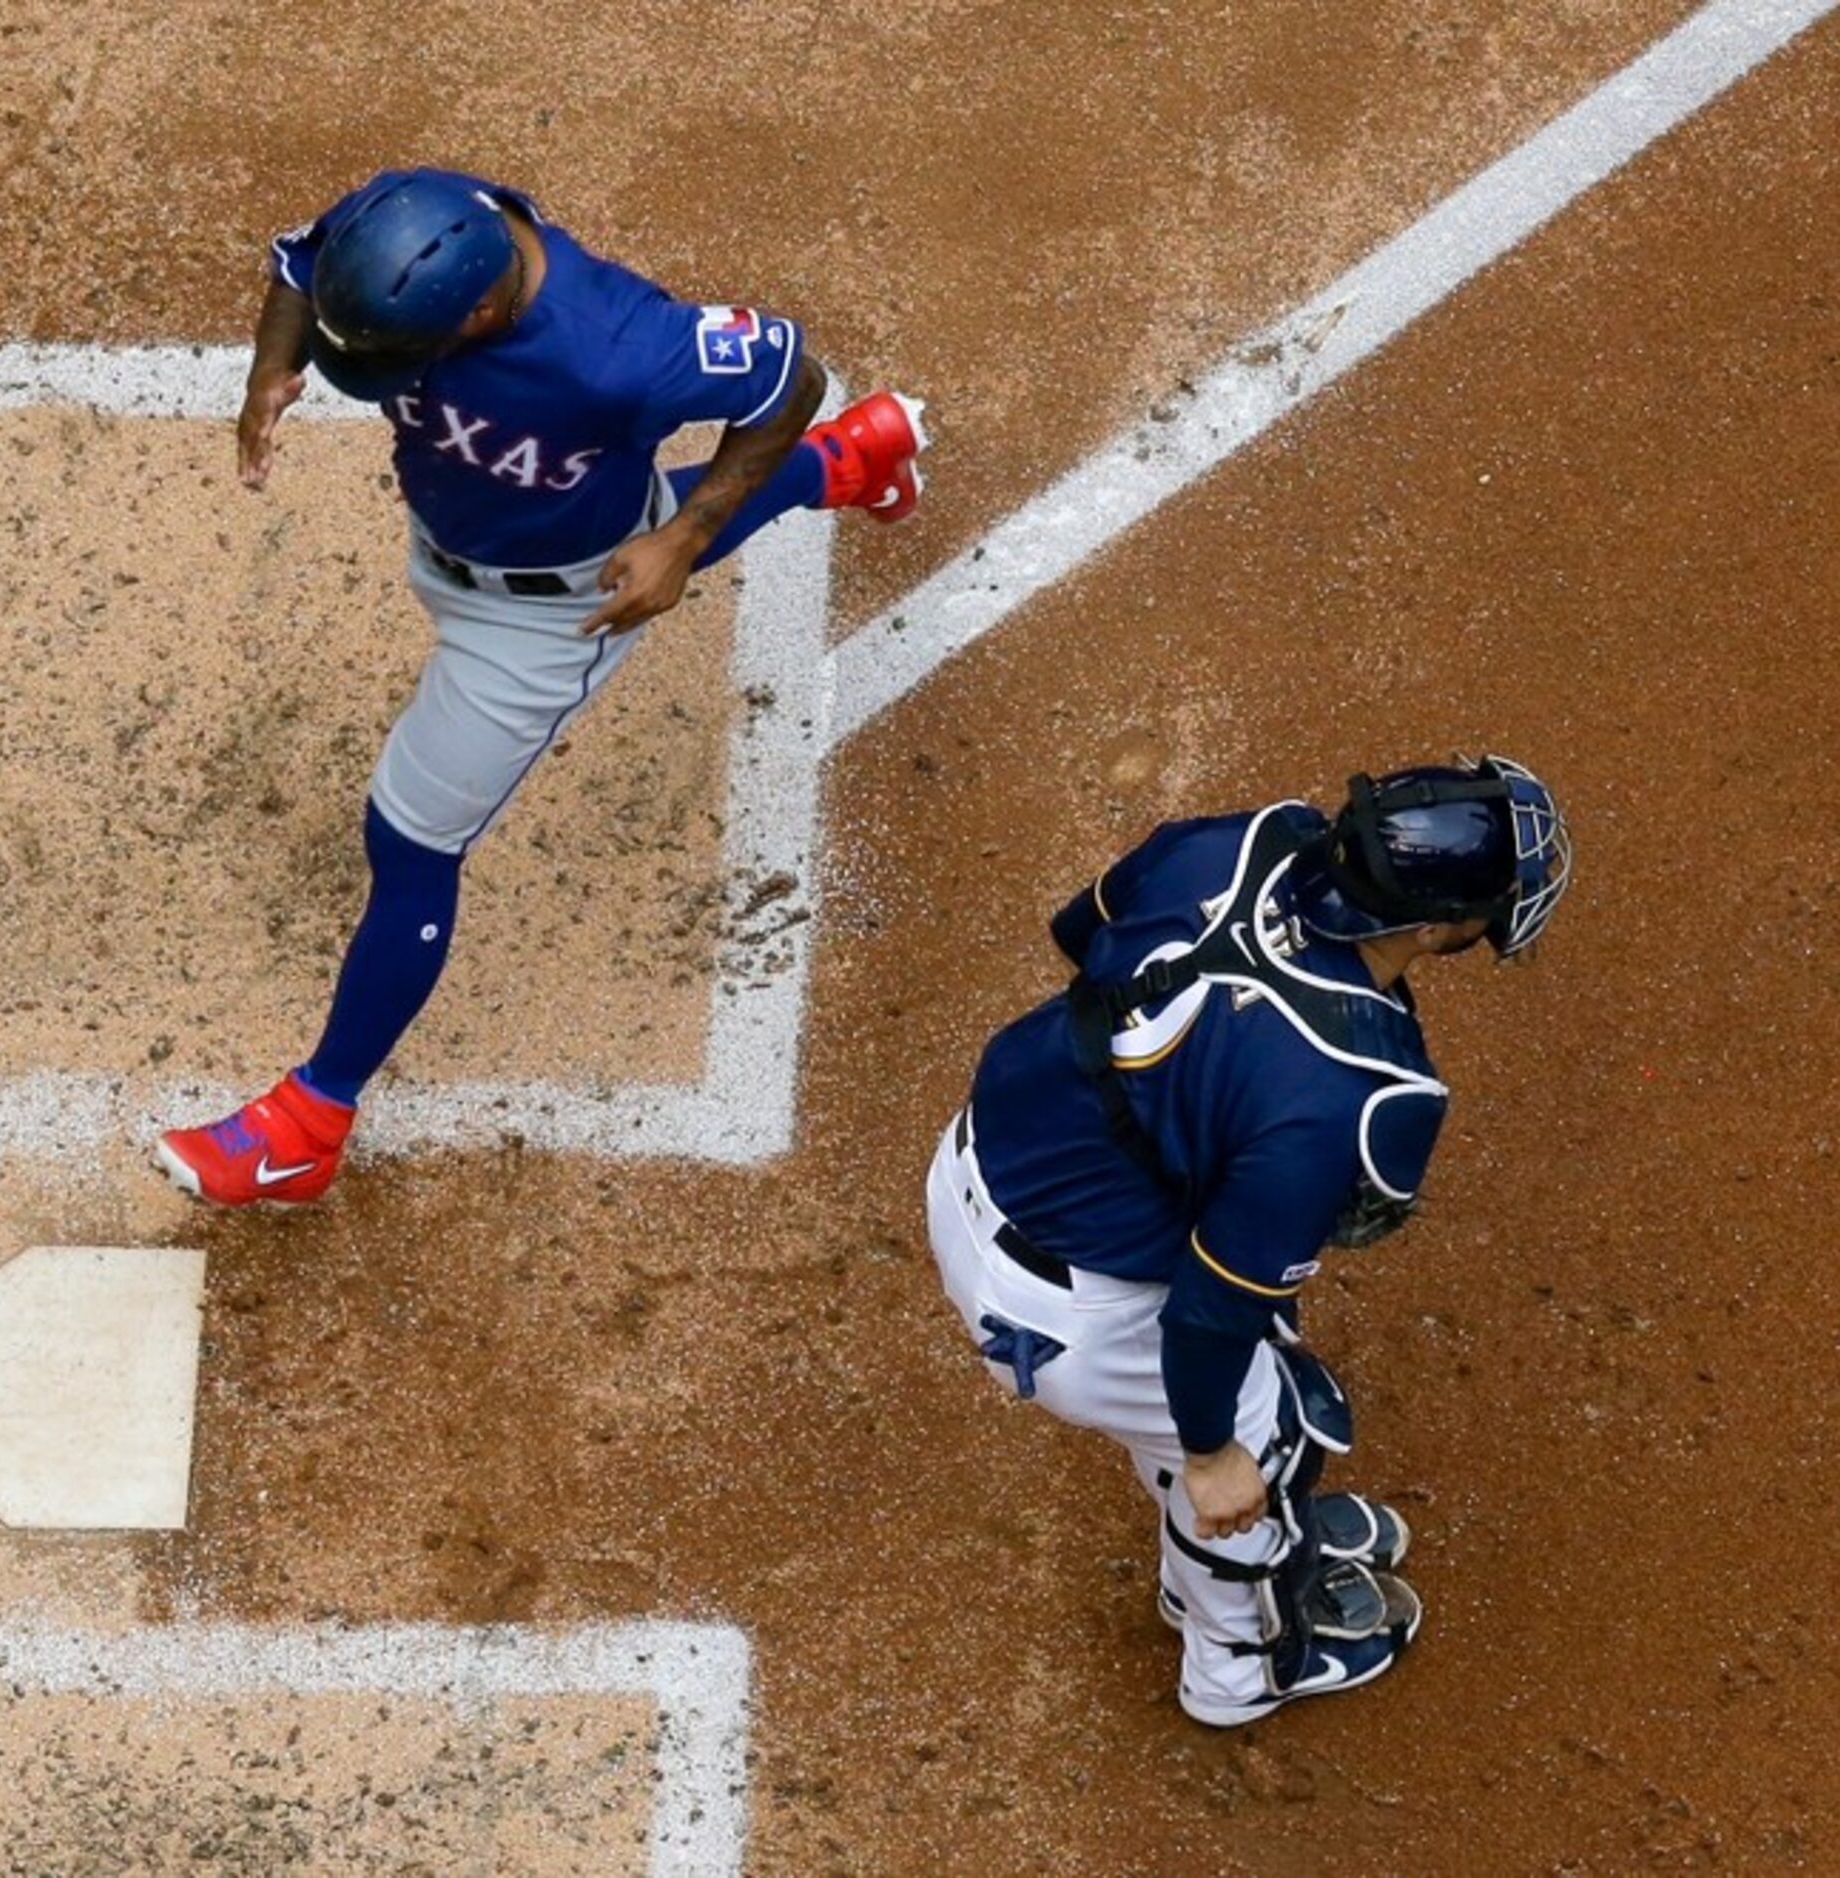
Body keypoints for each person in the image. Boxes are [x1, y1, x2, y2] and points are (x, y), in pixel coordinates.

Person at [154, 167, 930, 1206]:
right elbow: (300, 263)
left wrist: (682, 539)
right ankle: (855, 461)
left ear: (479, 308)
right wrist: (271, 366)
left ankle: (307, 1126)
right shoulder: (411, 218)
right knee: (614, 493)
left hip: (541, 615)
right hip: (453, 535)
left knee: (410, 845)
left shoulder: (621, 353)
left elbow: (787, 374)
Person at [922, 756, 1573, 1724]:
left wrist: (1179, 1094)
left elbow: (1079, 934)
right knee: (1262, 1438)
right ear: (1434, 928)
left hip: (983, 1156)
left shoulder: (1248, 840)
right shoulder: (1354, 1090)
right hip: (1069, 1312)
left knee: (1246, 1381)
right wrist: (1212, 1451)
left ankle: (1215, 1550)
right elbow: (1209, 1311)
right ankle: (1237, 1671)